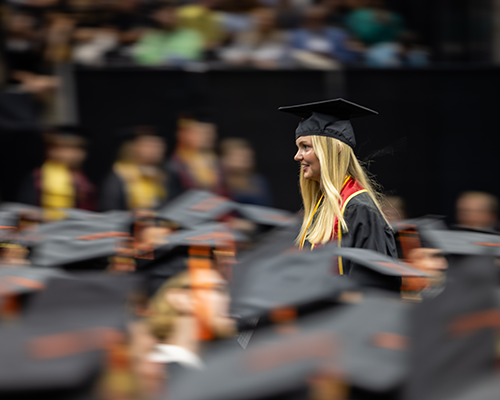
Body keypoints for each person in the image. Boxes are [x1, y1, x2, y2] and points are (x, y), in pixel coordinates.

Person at [279, 98, 400, 292]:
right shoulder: (321, 207)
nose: (297, 156)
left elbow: (374, 289)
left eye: (305, 147)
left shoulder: (359, 210)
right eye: (298, 148)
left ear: (335, 149)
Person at [146, 269, 236, 378]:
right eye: (217, 289)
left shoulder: (200, 369)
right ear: (182, 298)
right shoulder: (156, 374)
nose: (228, 300)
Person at [18, 125, 96, 218]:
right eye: (57, 148)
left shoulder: (85, 178)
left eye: (73, 149)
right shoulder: (38, 176)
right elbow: (26, 209)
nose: (64, 154)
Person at [100, 126, 168, 211]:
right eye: (149, 145)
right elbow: (109, 208)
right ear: (132, 148)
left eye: (159, 145)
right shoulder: (119, 175)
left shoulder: (162, 175)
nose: (157, 150)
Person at [166, 117, 227, 198]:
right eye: (201, 133)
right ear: (183, 134)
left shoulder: (218, 162)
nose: (208, 137)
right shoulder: (174, 164)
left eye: (211, 133)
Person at [132, 4, 203, 66]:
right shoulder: (148, 36)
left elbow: (194, 55)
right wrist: (161, 62)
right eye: (165, 13)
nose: (169, 16)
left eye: (172, 13)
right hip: (154, 74)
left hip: (183, 75)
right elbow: (141, 57)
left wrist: (172, 60)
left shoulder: (191, 35)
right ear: (156, 16)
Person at [220, 138, 272, 206]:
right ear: (224, 158)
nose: (244, 159)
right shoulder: (219, 181)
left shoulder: (258, 180)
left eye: (247, 156)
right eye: (239, 156)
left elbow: (267, 207)